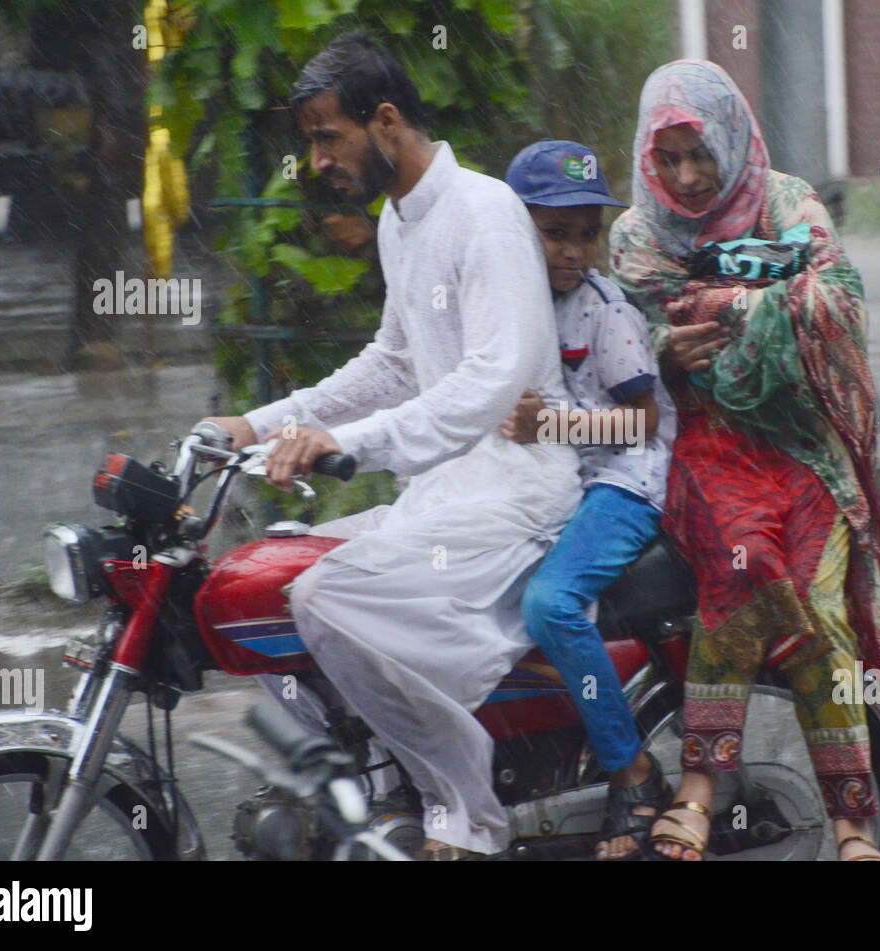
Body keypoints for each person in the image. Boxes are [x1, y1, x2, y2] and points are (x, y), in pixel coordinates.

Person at [202, 32, 582, 860]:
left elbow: (491, 380)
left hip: (518, 491)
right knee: (256, 585)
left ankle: (465, 813)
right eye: (310, 140)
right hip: (448, 490)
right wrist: (261, 422)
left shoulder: (483, 212)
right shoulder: (401, 222)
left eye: (326, 135)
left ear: (385, 121)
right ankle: (377, 782)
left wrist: (352, 442)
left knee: (327, 601)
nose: (316, 159)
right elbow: (395, 363)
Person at [609, 60, 880, 861]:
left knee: (820, 597)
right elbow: (637, 333)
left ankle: (855, 825)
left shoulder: (786, 198)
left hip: (798, 442)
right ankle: (701, 779)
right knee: (747, 561)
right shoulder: (635, 233)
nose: (687, 177)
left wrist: (719, 309)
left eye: (701, 155)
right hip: (709, 445)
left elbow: (840, 301)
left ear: (731, 136)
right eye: (670, 158)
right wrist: (674, 341)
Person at [500, 140, 678, 860]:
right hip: (564, 482)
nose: (574, 251)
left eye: (586, 233)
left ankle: (631, 770)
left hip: (625, 481)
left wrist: (555, 424)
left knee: (550, 604)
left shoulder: (606, 312)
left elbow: (645, 422)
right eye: (554, 232)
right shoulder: (513, 304)